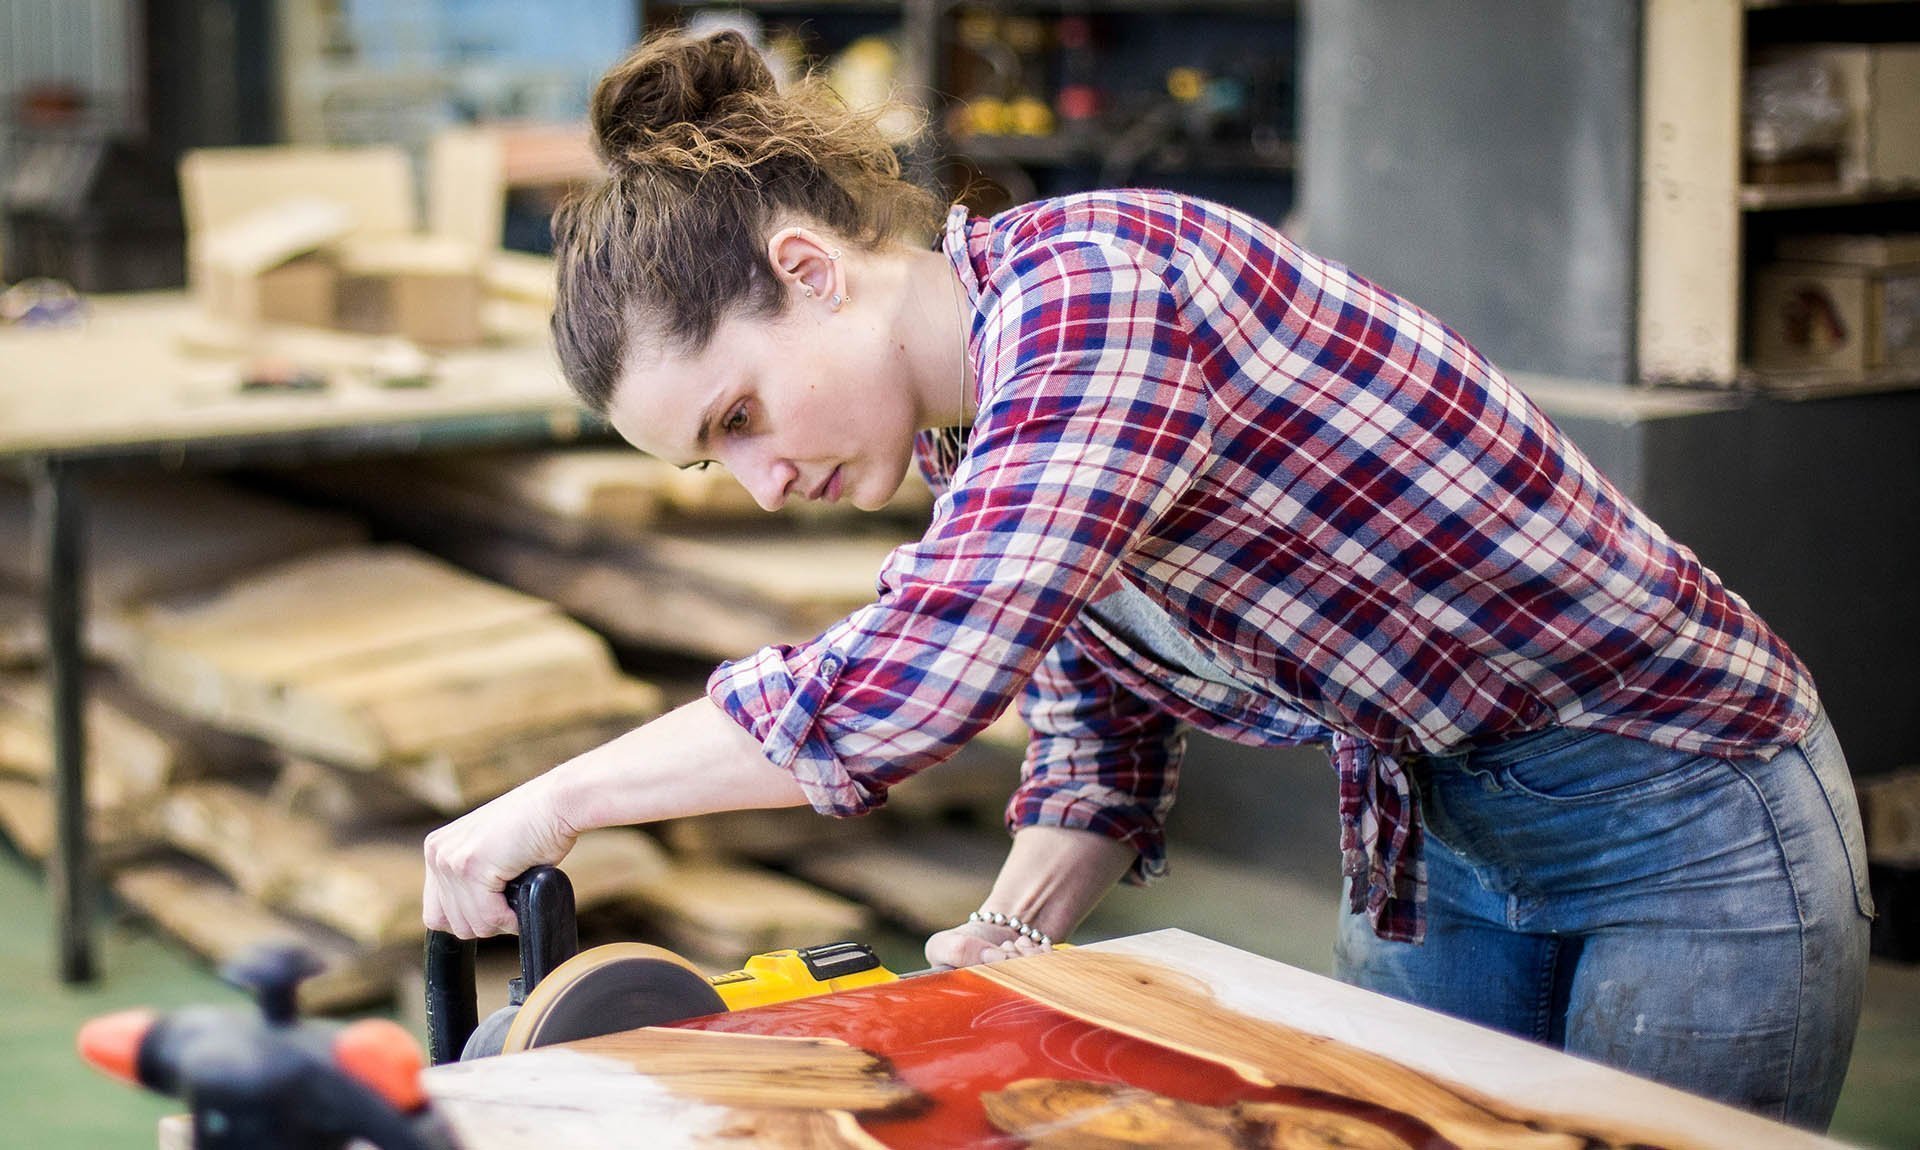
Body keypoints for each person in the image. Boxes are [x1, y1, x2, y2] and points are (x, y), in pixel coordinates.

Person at [421, 28, 1872, 1130]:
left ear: (810, 270)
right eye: (709, 464)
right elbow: (1098, 741)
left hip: (1689, 807)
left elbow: (910, 685)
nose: (760, 478)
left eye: (738, 417)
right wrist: (1002, 946)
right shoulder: (973, 436)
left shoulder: (1100, 296)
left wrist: (560, 795)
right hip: (1438, 835)